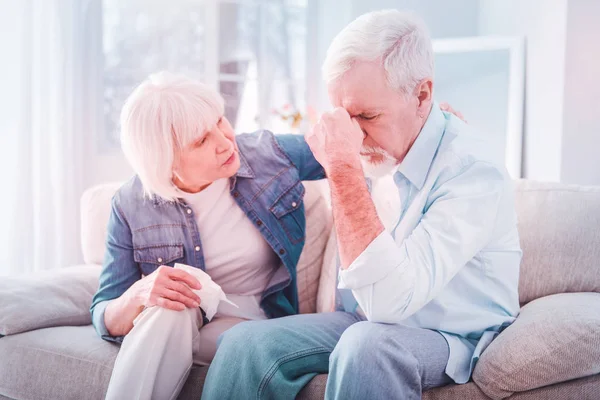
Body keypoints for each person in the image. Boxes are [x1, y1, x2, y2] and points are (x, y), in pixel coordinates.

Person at [201, 10, 521, 400]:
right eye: (344, 116)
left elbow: (390, 301)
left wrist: (342, 167)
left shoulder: (471, 171)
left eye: (366, 115)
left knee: (367, 347)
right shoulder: (387, 147)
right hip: (364, 318)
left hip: (449, 333)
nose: (353, 134)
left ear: (422, 96)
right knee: (243, 343)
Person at [89, 71, 326, 400]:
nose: (225, 141)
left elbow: (344, 149)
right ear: (167, 162)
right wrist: (138, 295)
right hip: (182, 325)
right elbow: (105, 315)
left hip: (256, 322)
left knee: (177, 314)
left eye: (220, 121)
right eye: (201, 140)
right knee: (169, 307)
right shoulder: (131, 204)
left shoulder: (267, 155)